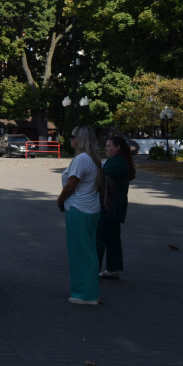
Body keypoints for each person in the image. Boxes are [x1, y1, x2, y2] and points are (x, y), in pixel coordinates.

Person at [57, 126, 104, 305]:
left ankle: (84, 293)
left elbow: (70, 185)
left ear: (81, 139)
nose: (70, 140)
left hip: (79, 208)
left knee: (80, 252)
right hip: (90, 207)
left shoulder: (81, 159)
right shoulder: (93, 158)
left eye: (73, 136)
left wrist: (60, 199)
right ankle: (89, 290)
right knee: (88, 250)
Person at [97, 134, 135, 279]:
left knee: (99, 236)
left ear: (118, 147)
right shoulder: (122, 161)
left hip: (109, 204)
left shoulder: (116, 162)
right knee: (112, 237)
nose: (106, 149)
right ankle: (113, 268)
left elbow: (101, 177)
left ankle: (93, 269)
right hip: (117, 204)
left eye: (109, 146)